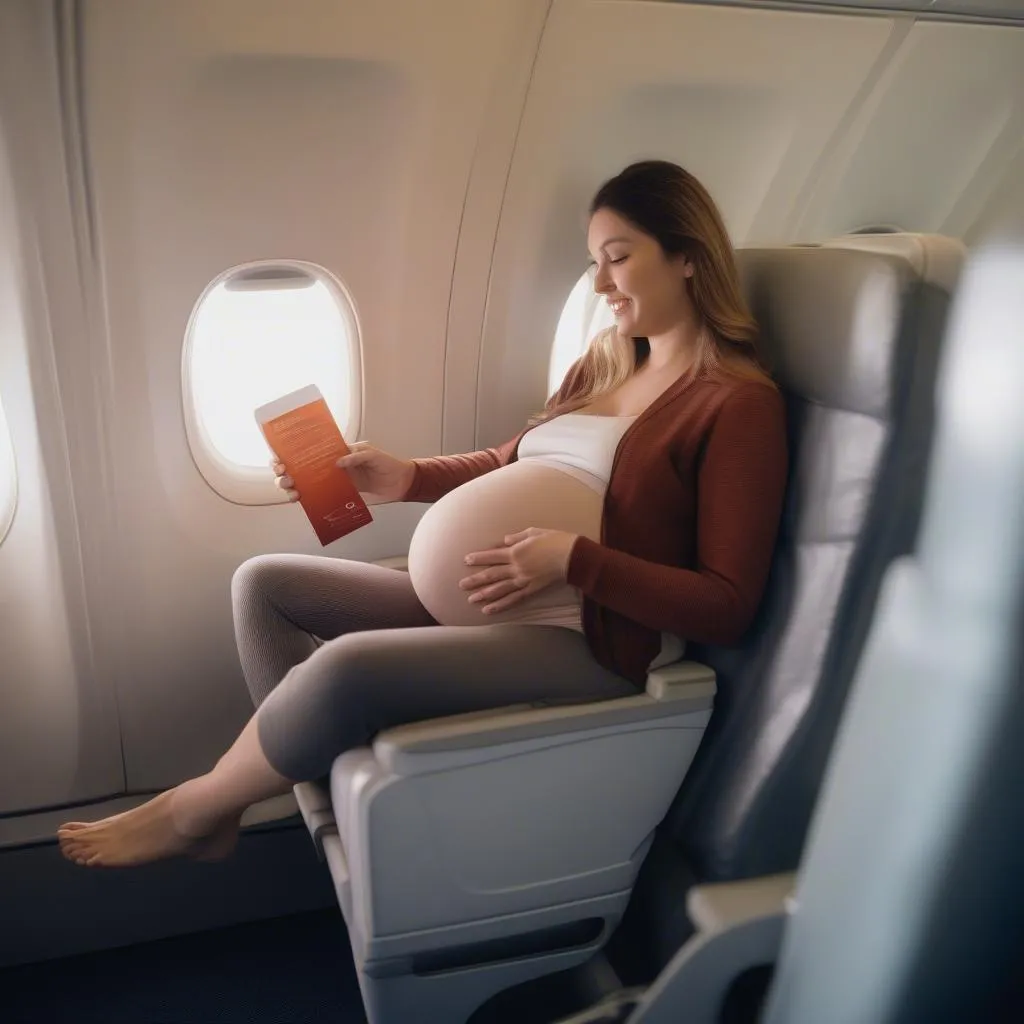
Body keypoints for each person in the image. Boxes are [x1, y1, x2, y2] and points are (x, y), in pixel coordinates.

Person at [57, 160, 788, 868]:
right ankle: (350, 816)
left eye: (617, 258)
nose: (599, 283)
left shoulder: (736, 404)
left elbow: (726, 606)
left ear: (688, 257)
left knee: (342, 672)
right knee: (264, 586)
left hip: (583, 633)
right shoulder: (606, 359)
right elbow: (514, 462)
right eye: (594, 261)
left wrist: (572, 561)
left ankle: (200, 811)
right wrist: (400, 476)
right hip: (491, 595)